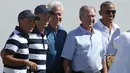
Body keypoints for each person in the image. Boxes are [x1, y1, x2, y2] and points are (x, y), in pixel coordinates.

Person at [61, 5, 107, 73]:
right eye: (88, 16)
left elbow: (103, 59)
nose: (91, 19)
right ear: (81, 18)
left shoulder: (99, 35)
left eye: (93, 16)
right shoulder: (73, 35)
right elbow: (67, 60)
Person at [27, 5, 54, 73]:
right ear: (36, 16)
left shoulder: (45, 34)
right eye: (45, 15)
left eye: (49, 15)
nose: (48, 18)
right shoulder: (27, 33)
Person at [93, 1, 120, 69]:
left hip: (114, 66)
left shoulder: (117, 29)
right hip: (98, 66)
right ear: (100, 13)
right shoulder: (94, 28)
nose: (111, 14)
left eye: (113, 12)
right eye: (108, 12)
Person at [46, 1, 67, 73]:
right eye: (54, 14)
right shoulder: (43, 32)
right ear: (49, 15)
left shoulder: (63, 33)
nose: (57, 17)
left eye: (59, 14)